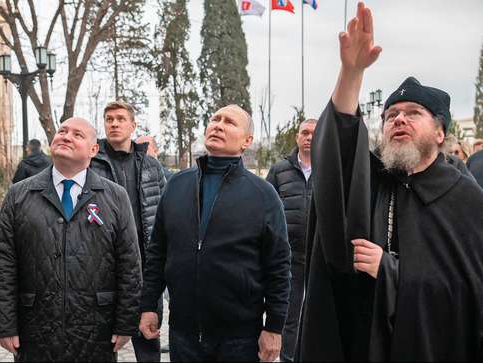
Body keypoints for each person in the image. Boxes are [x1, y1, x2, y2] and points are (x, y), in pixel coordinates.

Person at [297, 3, 483, 361]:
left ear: (441, 132)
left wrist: (391, 271)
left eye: (414, 114)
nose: (399, 120)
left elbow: (468, 298)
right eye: (391, 115)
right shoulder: (376, 182)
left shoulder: (465, 199)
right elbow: (339, 149)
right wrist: (351, 73)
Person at [139, 104, 291, 362]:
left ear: (247, 141)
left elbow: (278, 266)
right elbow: (157, 253)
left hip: (239, 338)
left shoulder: (263, 195)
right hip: (183, 335)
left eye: (229, 122)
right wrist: (148, 306)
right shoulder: (177, 185)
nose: (218, 125)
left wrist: (274, 327)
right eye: (214, 119)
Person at [0, 117, 142, 362]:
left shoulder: (115, 196)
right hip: (36, 329)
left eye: (77, 134)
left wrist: (126, 323)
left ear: (94, 150)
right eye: (62, 131)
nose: (66, 136)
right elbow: (4, 264)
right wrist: (5, 324)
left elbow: (129, 265)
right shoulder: (19, 194)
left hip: (96, 330)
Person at [90, 101, 166, 362]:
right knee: (102, 343)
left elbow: (165, 211)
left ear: (132, 126)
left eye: (120, 119)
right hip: (103, 267)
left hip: (146, 268)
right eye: (109, 119)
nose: (114, 123)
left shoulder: (151, 165)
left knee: (147, 342)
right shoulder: (91, 163)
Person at [266, 118, 316, 362]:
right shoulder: (279, 170)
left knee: (318, 313)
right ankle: (288, 358)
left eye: (314, 134)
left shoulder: (331, 168)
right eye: (304, 133)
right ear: (297, 137)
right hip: (290, 255)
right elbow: (265, 207)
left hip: (320, 255)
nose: (309, 137)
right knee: (290, 314)